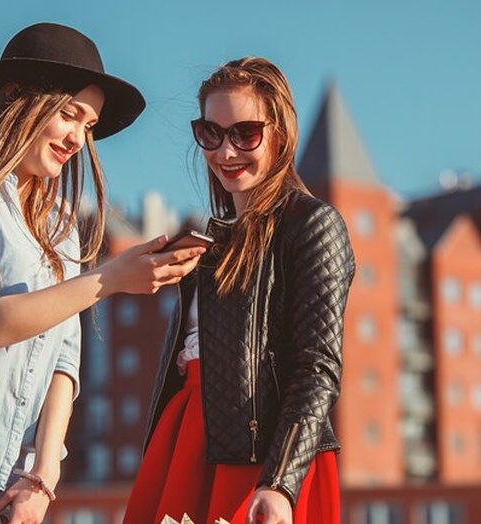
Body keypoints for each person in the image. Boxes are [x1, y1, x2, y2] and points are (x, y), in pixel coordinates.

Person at [0, 23, 204, 524]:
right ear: (17, 99)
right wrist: (109, 279)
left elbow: (65, 360)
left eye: (88, 126)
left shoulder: (60, 225)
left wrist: (43, 478)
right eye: (70, 115)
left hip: (11, 484)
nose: (77, 138)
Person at [123, 57, 356, 524]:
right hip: (186, 436)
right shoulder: (209, 242)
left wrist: (280, 482)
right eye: (210, 133)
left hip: (262, 454)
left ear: (280, 134)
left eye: (244, 133)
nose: (226, 152)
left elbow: (317, 366)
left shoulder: (313, 224)